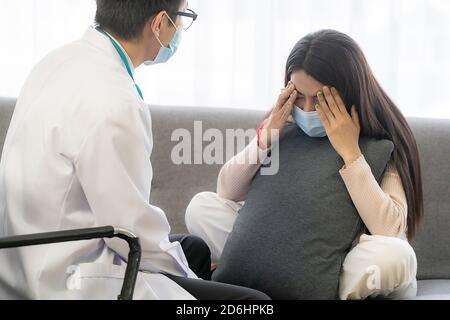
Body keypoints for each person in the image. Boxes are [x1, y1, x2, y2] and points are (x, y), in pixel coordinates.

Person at [0, 0, 269, 300]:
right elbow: (132, 231)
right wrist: (190, 279)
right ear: (158, 24)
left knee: (194, 249)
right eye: (182, 17)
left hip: (24, 255)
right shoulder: (116, 101)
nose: (180, 29)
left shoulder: (56, 61)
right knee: (255, 304)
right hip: (68, 279)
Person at [186, 29, 423, 300]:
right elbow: (226, 191)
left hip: (344, 260)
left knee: (396, 255)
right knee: (202, 206)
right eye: (299, 96)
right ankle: (275, 275)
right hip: (286, 247)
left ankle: (313, 288)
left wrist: (351, 153)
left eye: (321, 99)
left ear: (350, 92)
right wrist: (266, 138)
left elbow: (390, 229)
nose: (308, 110)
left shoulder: (382, 139)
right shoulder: (285, 123)